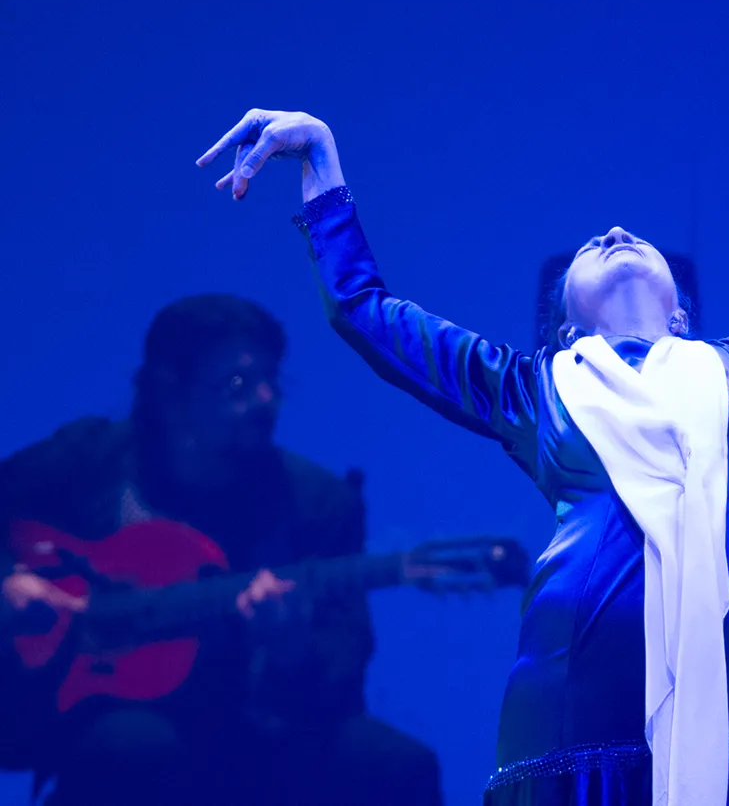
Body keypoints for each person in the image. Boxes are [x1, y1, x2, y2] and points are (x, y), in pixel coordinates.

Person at [197, 4, 729, 804]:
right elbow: (368, 312)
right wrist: (323, 161)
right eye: (593, 246)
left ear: (684, 310)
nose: (616, 231)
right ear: (562, 326)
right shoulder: (536, 389)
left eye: (632, 238)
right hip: (571, 732)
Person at [0, 294, 442, 806]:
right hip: (110, 716)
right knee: (135, 749)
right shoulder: (90, 460)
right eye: (237, 386)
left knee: (398, 767)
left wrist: (290, 649)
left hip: (252, 719)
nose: (265, 400)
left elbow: (341, 676)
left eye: (271, 381)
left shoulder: (317, 505)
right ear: (170, 394)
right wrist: (10, 581)